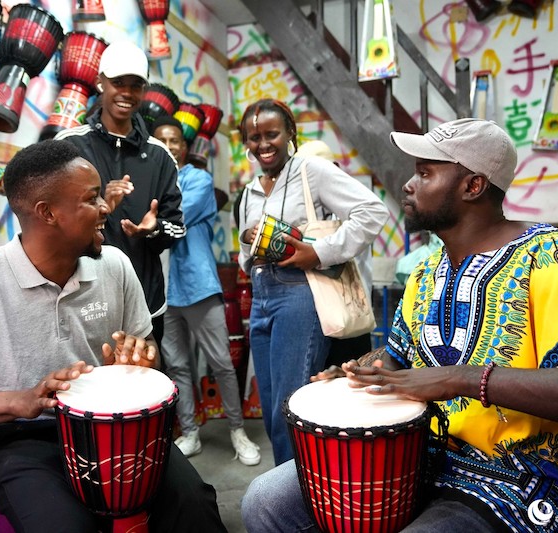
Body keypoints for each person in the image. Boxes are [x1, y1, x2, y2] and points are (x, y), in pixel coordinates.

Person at [241, 118, 558, 532]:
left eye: (424, 173)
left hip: (521, 480)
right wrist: (362, 370)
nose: (409, 184)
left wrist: (460, 379)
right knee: (265, 501)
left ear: (472, 186)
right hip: (417, 455)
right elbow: (399, 357)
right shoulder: (425, 273)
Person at [0, 140, 226, 533]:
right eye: (92, 199)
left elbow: (148, 351)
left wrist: (140, 363)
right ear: (47, 213)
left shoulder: (116, 266)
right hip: (21, 440)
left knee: (195, 507)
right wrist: (20, 401)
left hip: (116, 426)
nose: (107, 207)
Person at [236, 99, 389, 465]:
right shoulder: (249, 191)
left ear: (290, 132)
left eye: (272, 134)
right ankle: (285, 489)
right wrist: (248, 242)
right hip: (261, 295)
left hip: (299, 294)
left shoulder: (312, 170)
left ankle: (302, 499)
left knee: (292, 404)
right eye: (254, 137)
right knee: (272, 407)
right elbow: (245, 258)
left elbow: (372, 212)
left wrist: (318, 252)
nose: (263, 144)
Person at [56, 40, 185, 345]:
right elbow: (50, 219)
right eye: (118, 83)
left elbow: (177, 228)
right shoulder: (69, 146)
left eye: (136, 85)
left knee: (147, 387)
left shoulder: (160, 156)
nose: (127, 93)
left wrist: (153, 231)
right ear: (100, 82)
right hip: (82, 299)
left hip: (146, 301)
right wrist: (100, 207)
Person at [151, 115, 261, 466]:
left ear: (184, 148)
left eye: (174, 141)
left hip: (198, 286)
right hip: (164, 293)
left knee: (222, 365)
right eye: (161, 141)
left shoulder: (197, 179)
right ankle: (191, 433)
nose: (168, 146)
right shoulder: (150, 183)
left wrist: (149, 215)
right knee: (178, 367)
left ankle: (237, 431)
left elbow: (175, 216)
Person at [294, 140, 374, 367]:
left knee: (351, 389)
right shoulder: (310, 217)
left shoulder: (355, 214)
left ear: (336, 170)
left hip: (351, 318)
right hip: (318, 320)